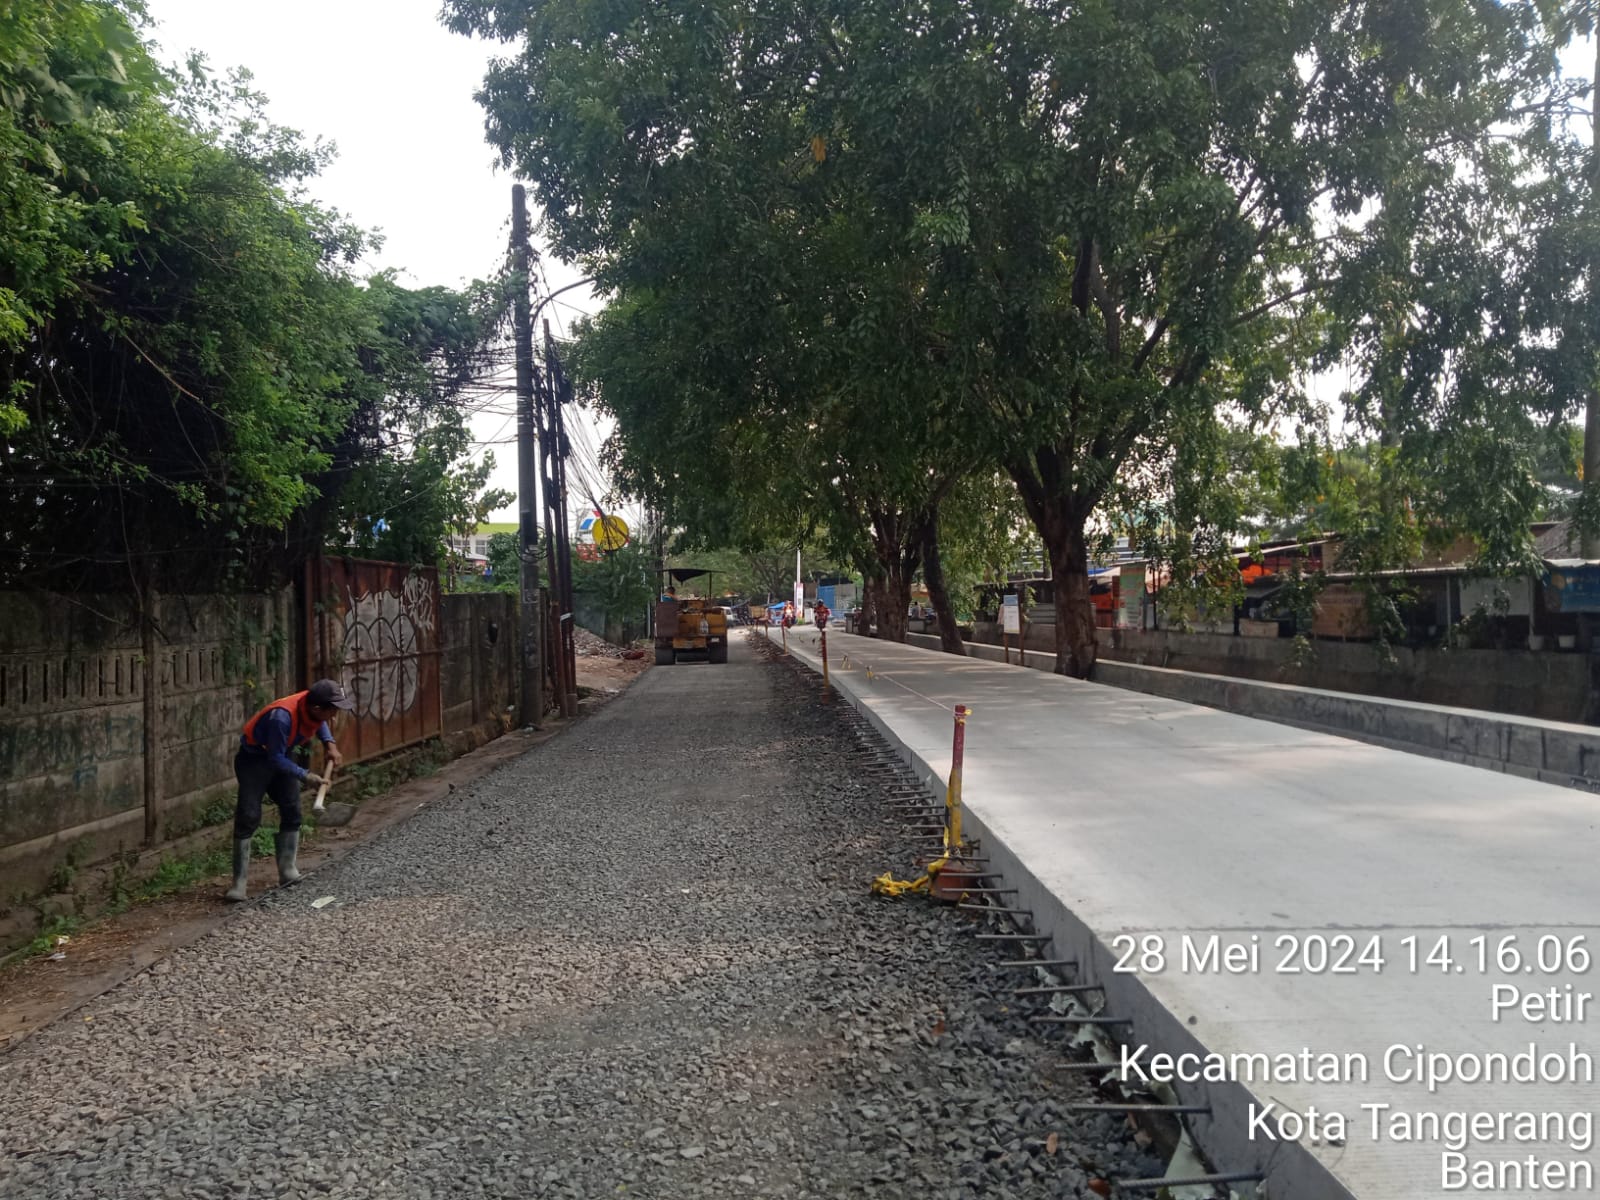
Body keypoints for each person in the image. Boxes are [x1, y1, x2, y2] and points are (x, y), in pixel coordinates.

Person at [225, 679, 353, 901]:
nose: (333, 716)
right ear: (317, 707)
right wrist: (305, 776)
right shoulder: (281, 718)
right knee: (248, 814)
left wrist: (329, 744)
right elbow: (275, 759)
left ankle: (287, 871)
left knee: (292, 808)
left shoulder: (311, 704)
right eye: (332, 710)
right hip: (254, 759)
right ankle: (239, 882)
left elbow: (318, 723)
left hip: (281, 757)